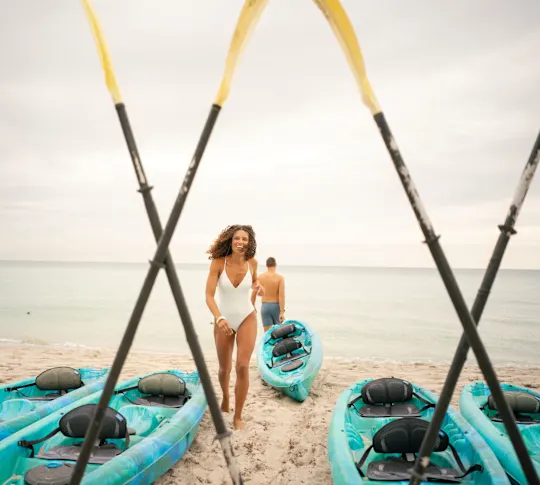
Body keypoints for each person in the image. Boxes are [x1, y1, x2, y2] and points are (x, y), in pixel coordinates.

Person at [205, 224, 264, 430]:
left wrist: (258, 287)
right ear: (230, 240)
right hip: (223, 319)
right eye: (237, 238)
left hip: (247, 316)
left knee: (242, 365)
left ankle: (238, 416)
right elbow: (209, 296)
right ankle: (226, 396)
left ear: (250, 243)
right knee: (225, 368)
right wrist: (219, 318)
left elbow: (254, 282)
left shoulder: (253, 263)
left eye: (245, 239)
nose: (240, 242)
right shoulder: (218, 263)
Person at [253, 256, 285, 332]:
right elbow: (281, 297)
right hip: (275, 307)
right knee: (279, 334)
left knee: (267, 334)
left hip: (264, 307)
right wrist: (281, 312)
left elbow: (254, 293)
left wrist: (253, 306)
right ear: (275, 265)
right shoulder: (280, 278)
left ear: (266, 265)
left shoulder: (260, 277)